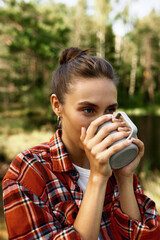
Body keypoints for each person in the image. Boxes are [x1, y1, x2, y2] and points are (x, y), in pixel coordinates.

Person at [2, 47, 160, 240]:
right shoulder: (28, 172)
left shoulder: (117, 165)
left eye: (110, 110)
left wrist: (125, 178)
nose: (103, 122)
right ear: (57, 106)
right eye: (88, 110)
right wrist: (98, 177)